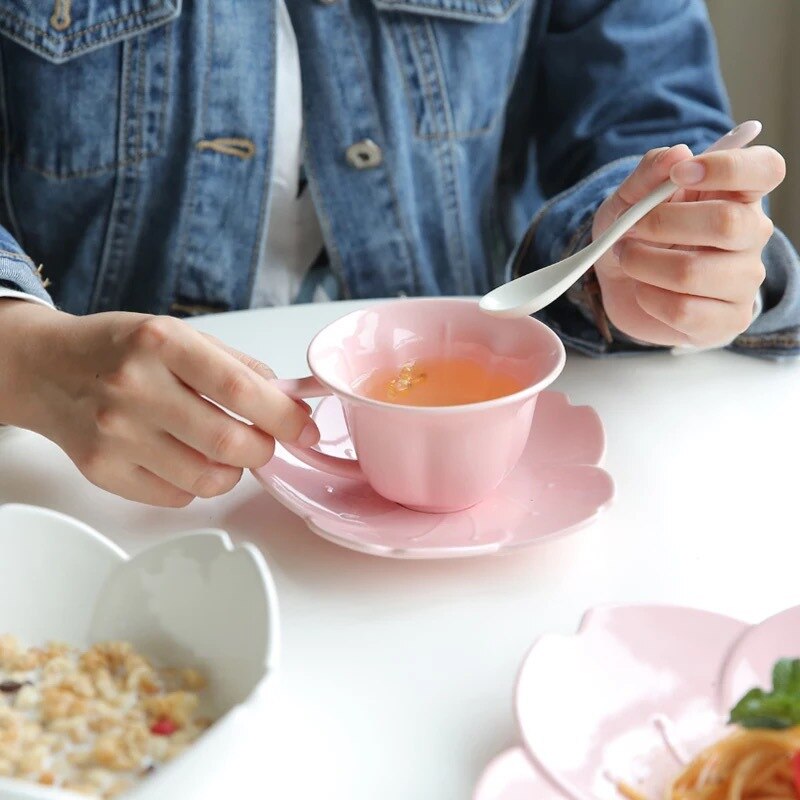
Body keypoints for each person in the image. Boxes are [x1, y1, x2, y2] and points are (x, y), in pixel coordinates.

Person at [0, 0, 796, 507]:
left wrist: (636, 257)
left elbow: (645, 122)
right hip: (81, 476)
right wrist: (23, 354)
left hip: (490, 481)